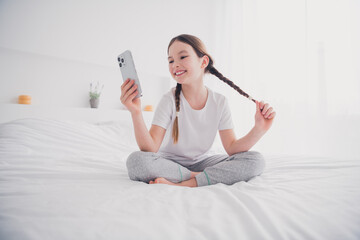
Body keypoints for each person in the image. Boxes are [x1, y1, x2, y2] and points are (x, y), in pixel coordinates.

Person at [120, 34, 276, 187]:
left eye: (182, 57)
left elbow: (232, 148)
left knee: (256, 160)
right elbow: (150, 149)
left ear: (203, 62)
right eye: (171, 60)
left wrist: (259, 129)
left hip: (202, 162)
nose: (175, 65)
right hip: (168, 164)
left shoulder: (220, 102)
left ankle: (187, 183)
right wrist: (136, 112)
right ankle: (198, 178)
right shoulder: (168, 100)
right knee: (136, 161)